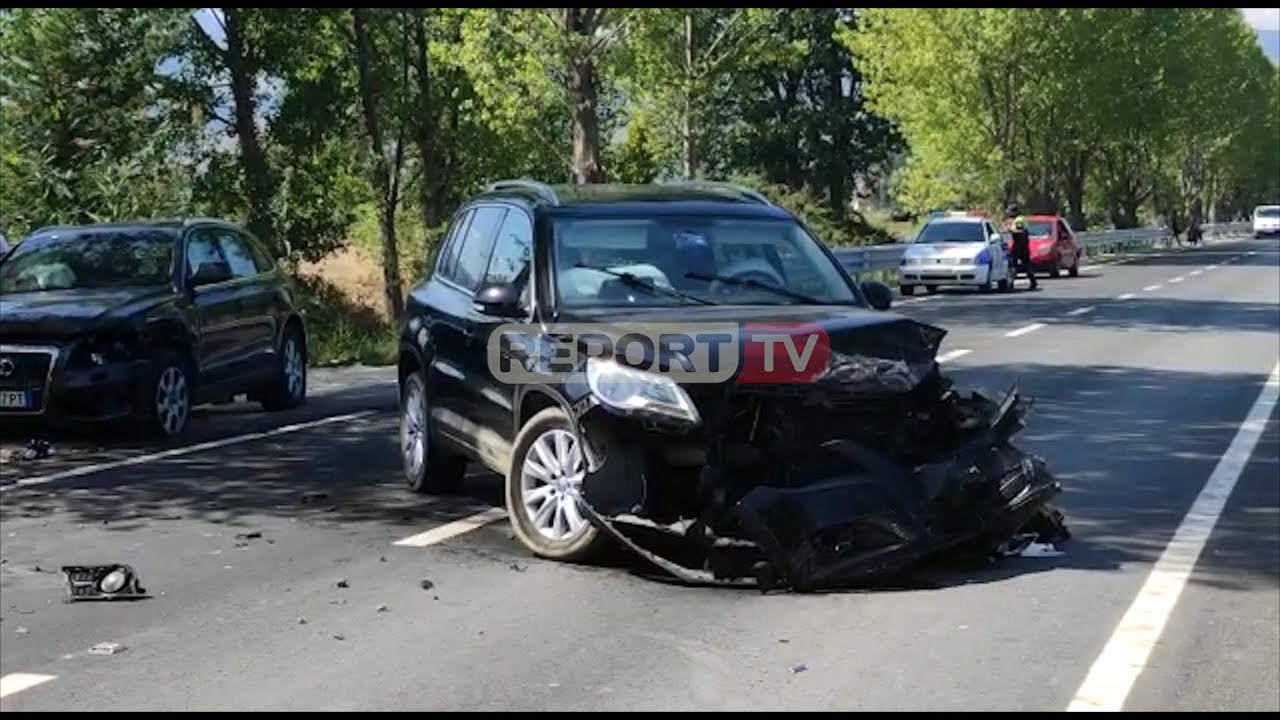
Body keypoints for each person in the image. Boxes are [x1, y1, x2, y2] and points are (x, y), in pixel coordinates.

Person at [1005, 206, 1038, 291]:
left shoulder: (1019, 220)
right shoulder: (1021, 219)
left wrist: (1010, 230)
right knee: (1025, 265)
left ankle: (1010, 283)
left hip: (1019, 245)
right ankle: (1033, 282)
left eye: (1010, 212)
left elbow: (1020, 232)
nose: (1008, 214)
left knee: (1013, 265)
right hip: (1023, 245)